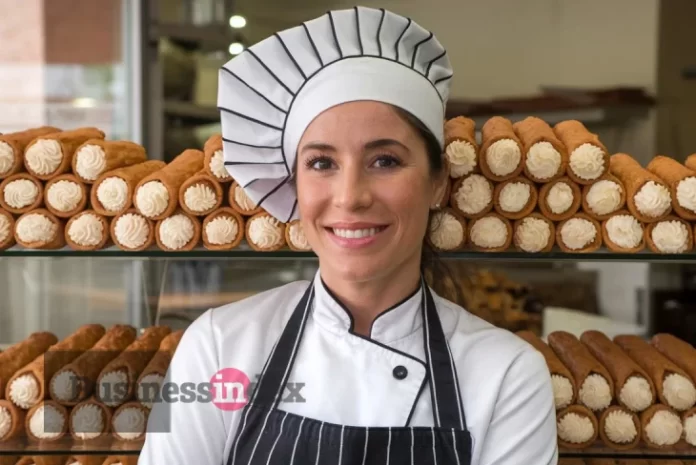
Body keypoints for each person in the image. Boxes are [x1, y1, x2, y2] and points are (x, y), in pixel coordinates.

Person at [139, 6, 557, 465]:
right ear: (293, 183)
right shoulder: (216, 346)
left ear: (439, 182)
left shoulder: (507, 376)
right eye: (321, 163)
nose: (350, 197)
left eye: (385, 161)